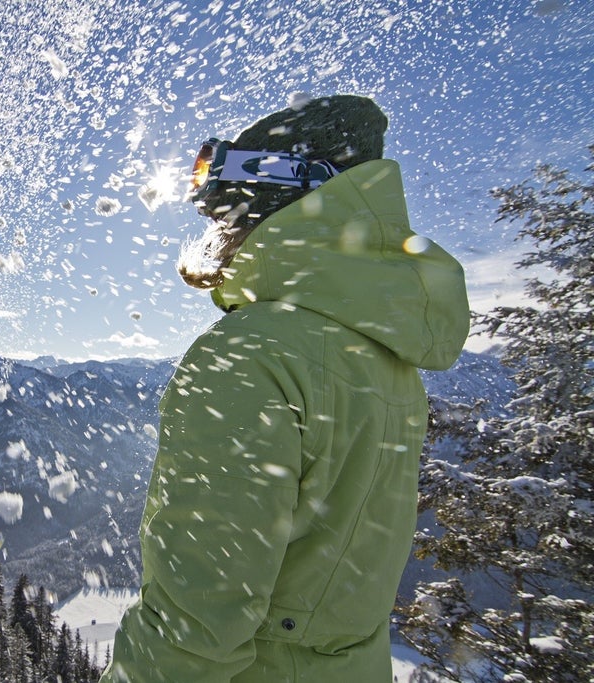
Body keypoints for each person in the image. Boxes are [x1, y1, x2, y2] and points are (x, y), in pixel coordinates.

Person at [101, 95, 470, 682]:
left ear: (272, 196)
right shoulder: (384, 352)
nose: (223, 229)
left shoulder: (250, 355)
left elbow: (193, 630)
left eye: (228, 211)